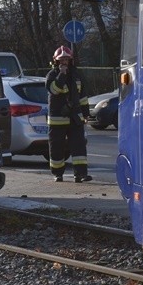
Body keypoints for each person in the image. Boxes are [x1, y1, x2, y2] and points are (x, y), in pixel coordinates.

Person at [45, 45, 92, 183]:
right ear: (56, 61)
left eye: (66, 59)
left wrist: (85, 113)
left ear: (71, 60)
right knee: (57, 148)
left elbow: (82, 96)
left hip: (75, 117)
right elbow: (55, 90)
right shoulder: (52, 75)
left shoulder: (77, 75)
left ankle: (81, 174)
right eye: (61, 60)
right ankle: (57, 174)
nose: (64, 62)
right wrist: (62, 74)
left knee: (79, 147)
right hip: (57, 119)